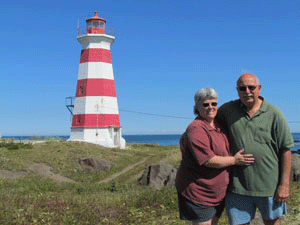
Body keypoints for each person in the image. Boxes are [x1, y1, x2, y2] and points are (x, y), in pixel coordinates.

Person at [217, 73, 294, 225]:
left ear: (259, 88)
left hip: (269, 186)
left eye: (251, 87)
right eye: (242, 88)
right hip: (238, 187)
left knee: (272, 222)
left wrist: (284, 185)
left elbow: (286, 149)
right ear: (237, 90)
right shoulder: (227, 110)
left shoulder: (274, 113)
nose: (247, 91)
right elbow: (208, 123)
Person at [175, 87, 255, 225]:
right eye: (205, 104)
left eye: (214, 104)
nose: (210, 107)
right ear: (197, 107)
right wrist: (235, 160)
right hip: (199, 192)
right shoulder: (196, 129)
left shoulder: (218, 125)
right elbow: (209, 160)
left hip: (216, 192)